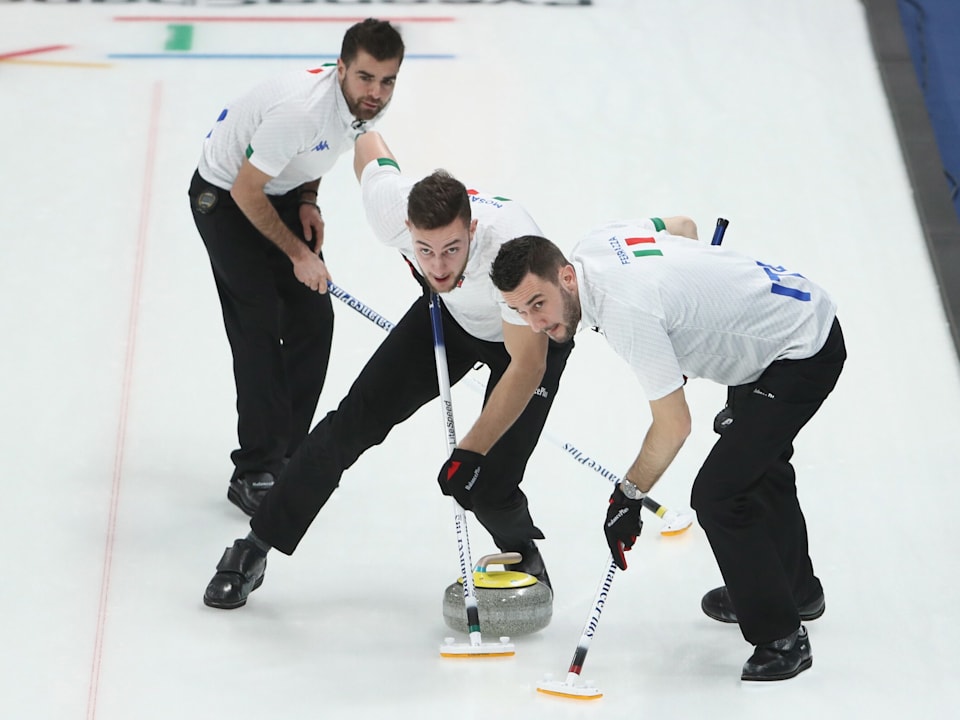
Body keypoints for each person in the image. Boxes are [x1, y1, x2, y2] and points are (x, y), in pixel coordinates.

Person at [202, 131, 573, 610]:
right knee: (348, 426)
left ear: (473, 230)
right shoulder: (389, 213)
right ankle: (255, 545)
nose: (438, 266)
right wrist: (315, 190)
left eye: (452, 249)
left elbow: (526, 365)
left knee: (489, 477)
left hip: (529, 336)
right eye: (425, 250)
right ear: (406, 230)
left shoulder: (510, 253)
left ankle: (523, 554)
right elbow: (367, 142)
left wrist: (469, 452)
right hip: (451, 317)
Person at [490, 219, 845, 682]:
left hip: (801, 349)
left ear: (567, 278)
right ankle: (794, 590)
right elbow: (680, 225)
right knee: (760, 464)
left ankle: (782, 636)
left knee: (719, 494)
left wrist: (629, 495)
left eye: (539, 304)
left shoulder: (624, 311)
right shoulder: (594, 246)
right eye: (522, 312)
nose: (537, 324)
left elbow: (674, 426)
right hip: (772, 330)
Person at [188, 19, 405, 516]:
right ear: (342, 68)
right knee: (258, 325)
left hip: (277, 194)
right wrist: (299, 255)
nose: (376, 92)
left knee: (313, 321)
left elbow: (311, 160)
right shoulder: (301, 111)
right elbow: (245, 190)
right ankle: (254, 470)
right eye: (367, 78)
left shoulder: (358, 109)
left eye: (388, 80)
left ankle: (287, 454)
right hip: (223, 197)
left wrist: (307, 198)